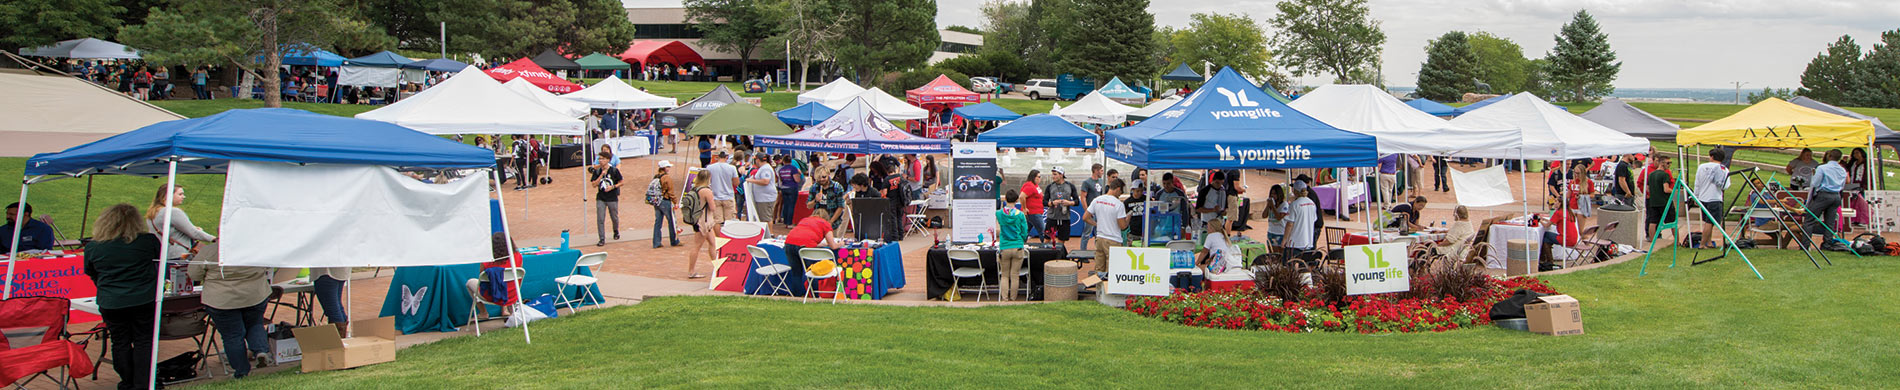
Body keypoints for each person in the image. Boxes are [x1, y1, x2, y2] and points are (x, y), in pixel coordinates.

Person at [83, 204, 162, 390]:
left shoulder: (94, 246)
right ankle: (143, 383)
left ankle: (128, 381)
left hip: (111, 300)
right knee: (143, 341)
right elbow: (159, 265)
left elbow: (91, 272)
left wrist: (106, 285)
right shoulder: (147, 241)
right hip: (143, 297)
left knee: (120, 341)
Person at [186, 243, 273, 378]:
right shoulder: (254, 247)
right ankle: (261, 350)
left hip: (222, 300)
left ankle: (241, 371)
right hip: (254, 295)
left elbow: (194, 274)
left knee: (233, 335)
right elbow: (268, 265)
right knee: (255, 325)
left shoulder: (209, 251)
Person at [146, 184, 216, 260]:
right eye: (180, 194)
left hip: (160, 255)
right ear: (167, 195)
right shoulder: (173, 211)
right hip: (177, 254)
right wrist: (214, 239)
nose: (183, 197)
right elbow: (194, 233)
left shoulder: (152, 212)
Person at [1081, 179, 1128, 278]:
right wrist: (1128, 219)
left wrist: (1096, 224)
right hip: (1113, 239)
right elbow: (1123, 226)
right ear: (1118, 189)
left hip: (1100, 238)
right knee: (1113, 270)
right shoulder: (1119, 204)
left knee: (1099, 269)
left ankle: (1099, 291)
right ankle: (1110, 292)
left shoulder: (1097, 200)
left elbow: (1085, 217)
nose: (1120, 194)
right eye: (1121, 192)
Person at [993, 189, 1029, 300]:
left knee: (1004, 275)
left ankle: (1004, 299)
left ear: (1006, 199)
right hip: (1017, 246)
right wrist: (1022, 240)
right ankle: (1013, 298)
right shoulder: (1020, 215)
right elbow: (1025, 231)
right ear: (1017, 200)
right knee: (1015, 275)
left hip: (1004, 246)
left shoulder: (999, 214)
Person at [1807, 149, 1848, 246]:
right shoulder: (1842, 170)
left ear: (1829, 156)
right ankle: (1827, 243)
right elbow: (1842, 185)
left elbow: (1815, 183)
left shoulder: (1822, 168)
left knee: (1809, 219)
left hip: (1824, 194)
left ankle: (1805, 244)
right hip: (1836, 195)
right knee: (1830, 222)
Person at [782, 215, 839, 280]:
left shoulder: (804, 220)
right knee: (812, 272)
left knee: (796, 273)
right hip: (805, 248)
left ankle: (796, 290)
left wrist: (819, 244)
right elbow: (833, 246)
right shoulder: (825, 223)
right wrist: (841, 243)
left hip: (789, 243)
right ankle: (813, 289)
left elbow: (804, 237)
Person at [683, 170, 717, 278]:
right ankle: (691, 271)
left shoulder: (694, 189)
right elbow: (712, 207)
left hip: (698, 219)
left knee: (712, 243)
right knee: (697, 246)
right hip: (704, 221)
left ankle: (717, 267)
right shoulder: (707, 191)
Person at [1693, 148, 1729, 248]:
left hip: (1703, 198)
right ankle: (1702, 244)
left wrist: (1696, 196)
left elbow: (1697, 183)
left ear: (1712, 157)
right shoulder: (1724, 169)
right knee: (1710, 222)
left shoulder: (1702, 167)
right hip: (1715, 198)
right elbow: (1725, 186)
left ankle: (1708, 242)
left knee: (1707, 221)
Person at [590, 150, 624, 246]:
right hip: (601, 197)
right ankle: (601, 238)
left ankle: (616, 230)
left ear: (608, 160)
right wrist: (601, 175)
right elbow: (593, 184)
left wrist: (612, 187)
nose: (600, 161)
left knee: (614, 217)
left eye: (603, 159)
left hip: (612, 198)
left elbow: (621, 182)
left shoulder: (614, 170)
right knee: (600, 218)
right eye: (599, 159)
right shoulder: (597, 171)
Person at [648, 161, 681, 248]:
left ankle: (656, 242)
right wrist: (675, 201)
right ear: (664, 168)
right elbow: (670, 191)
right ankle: (674, 241)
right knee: (671, 221)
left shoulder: (656, 176)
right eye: (668, 167)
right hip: (665, 200)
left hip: (657, 201)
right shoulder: (667, 178)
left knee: (658, 222)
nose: (669, 168)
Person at [1043, 167, 1079, 244]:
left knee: (1061, 241)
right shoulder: (1050, 187)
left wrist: (1069, 203)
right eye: (1052, 174)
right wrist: (1052, 203)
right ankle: (1045, 254)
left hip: (1065, 217)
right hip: (1052, 217)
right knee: (1047, 239)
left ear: (1061, 175)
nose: (1053, 176)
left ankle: (1059, 255)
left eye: (1055, 174)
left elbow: (1077, 201)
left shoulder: (1070, 186)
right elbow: (1044, 202)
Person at [1644, 154, 1678, 238]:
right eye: (1668, 163)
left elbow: (1647, 188)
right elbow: (1666, 189)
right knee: (1672, 222)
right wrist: (1674, 191)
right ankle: (1677, 242)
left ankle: (1652, 241)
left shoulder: (1651, 174)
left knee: (1653, 222)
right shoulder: (1664, 175)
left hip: (1653, 202)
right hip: (1665, 202)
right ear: (1662, 163)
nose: (1669, 165)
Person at [1285, 183, 1319, 260]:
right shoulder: (1312, 203)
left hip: (1294, 243)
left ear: (1295, 191)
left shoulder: (1294, 204)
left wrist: (1284, 240)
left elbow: (1289, 224)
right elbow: (1314, 220)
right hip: (1308, 242)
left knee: (1289, 265)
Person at [706, 151, 740, 221]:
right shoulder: (732, 168)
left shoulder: (709, 167)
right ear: (726, 158)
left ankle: (718, 232)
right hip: (728, 196)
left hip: (715, 196)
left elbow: (707, 181)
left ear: (718, 157)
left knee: (717, 220)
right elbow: (736, 183)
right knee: (730, 220)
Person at [745, 154, 778, 225]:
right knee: (764, 217)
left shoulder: (765, 169)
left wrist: (752, 181)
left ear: (758, 160)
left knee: (766, 218)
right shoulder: (764, 168)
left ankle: (770, 233)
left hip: (765, 198)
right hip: (763, 197)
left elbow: (766, 181)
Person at [1193, 170, 1228, 239]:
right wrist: (1213, 210)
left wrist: (1224, 212)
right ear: (1213, 180)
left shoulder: (1223, 191)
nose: (1219, 185)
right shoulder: (1205, 191)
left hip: (1220, 224)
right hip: (1208, 224)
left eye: (1222, 183)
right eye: (1217, 183)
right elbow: (1198, 209)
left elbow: (1225, 207)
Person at [1845, 148, 1870, 229]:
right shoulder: (1853, 163)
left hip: (1862, 185)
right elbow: (1846, 169)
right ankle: (1853, 219)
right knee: (1853, 202)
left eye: (1857, 153)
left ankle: (1861, 220)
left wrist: (1865, 186)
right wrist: (1843, 162)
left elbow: (1868, 175)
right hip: (1853, 184)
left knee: (1861, 203)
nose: (1856, 155)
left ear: (1862, 153)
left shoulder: (1866, 163)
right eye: (1854, 153)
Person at [777, 155, 803, 228]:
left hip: (784, 188)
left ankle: (785, 221)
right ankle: (789, 223)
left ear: (784, 161)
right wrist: (799, 174)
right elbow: (797, 179)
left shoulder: (781, 170)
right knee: (791, 205)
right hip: (792, 188)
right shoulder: (793, 169)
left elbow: (781, 179)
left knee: (786, 205)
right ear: (790, 161)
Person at [1021, 170, 1047, 241]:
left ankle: (1021, 245)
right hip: (1034, 213)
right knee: (1043, 231)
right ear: (1033, 177)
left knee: (1025, 232)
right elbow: (1022, 196)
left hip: (1035, 212)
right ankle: (1045, 247)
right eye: (1038, 177)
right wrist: (1024, 208)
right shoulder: (1030, 186)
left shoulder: (1035, 186)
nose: (1039, 178)